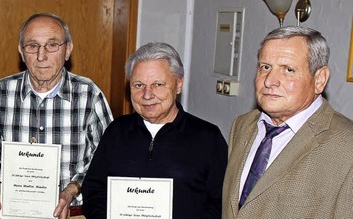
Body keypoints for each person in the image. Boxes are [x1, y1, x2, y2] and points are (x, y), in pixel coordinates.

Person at [0, 13, 114, 219]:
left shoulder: (89, 95)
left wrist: (71, 190)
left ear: (67, 50)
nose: (41, 56)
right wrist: (0, 190)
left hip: (74, 212)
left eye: (52, 45)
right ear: (21, 52)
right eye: (32, 46)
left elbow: (105, 158)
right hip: (13, 211)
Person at [81, 42, 228, 218]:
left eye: (157, 84)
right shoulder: (117, 131)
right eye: (138, 85)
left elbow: (221, 203)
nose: (147, 95)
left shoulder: (208, 138)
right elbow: (94, 190)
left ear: (179, 84)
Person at [222, 26, 353, 218]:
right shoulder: (242, 126)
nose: (270, 81)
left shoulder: (346, 146)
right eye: (265, 67)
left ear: (319, 79)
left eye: (288, 70)